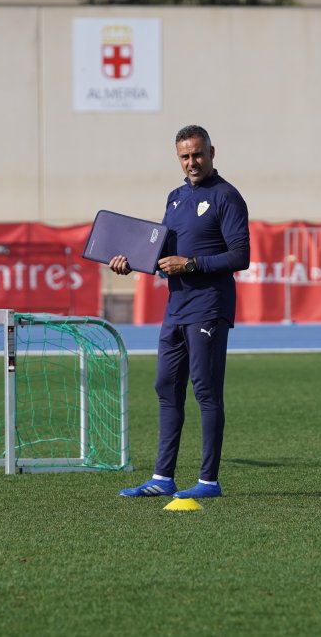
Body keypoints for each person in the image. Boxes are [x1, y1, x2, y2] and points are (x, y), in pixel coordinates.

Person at [110, 125, 250, 499]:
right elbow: (161, 255)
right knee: (166, 387)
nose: (192, 162)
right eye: (185, 156)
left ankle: (208, 481)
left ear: (212, 152)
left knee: (205, 390)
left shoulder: (227, 197)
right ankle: (162, 478)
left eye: (198, 154)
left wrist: (191, 265)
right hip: (176, 307)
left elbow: (241, 256)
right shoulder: (174, 198)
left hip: (209, 307)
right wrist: (131, 263)